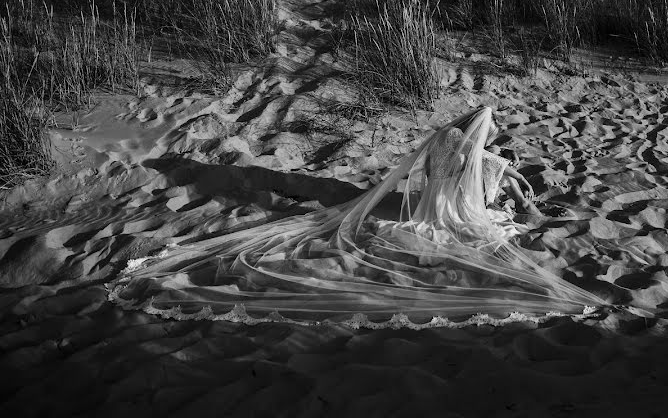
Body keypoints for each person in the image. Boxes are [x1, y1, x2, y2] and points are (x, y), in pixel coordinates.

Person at [109, 107, 603, 327]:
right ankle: (538, 213)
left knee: (502, 192)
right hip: (450, 214)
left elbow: (417, 176)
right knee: (505, 207)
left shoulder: (440, 142)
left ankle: (533, 210)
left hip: (432, 203)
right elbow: (500, 173)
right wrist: (521, 189)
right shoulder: (483, 158)